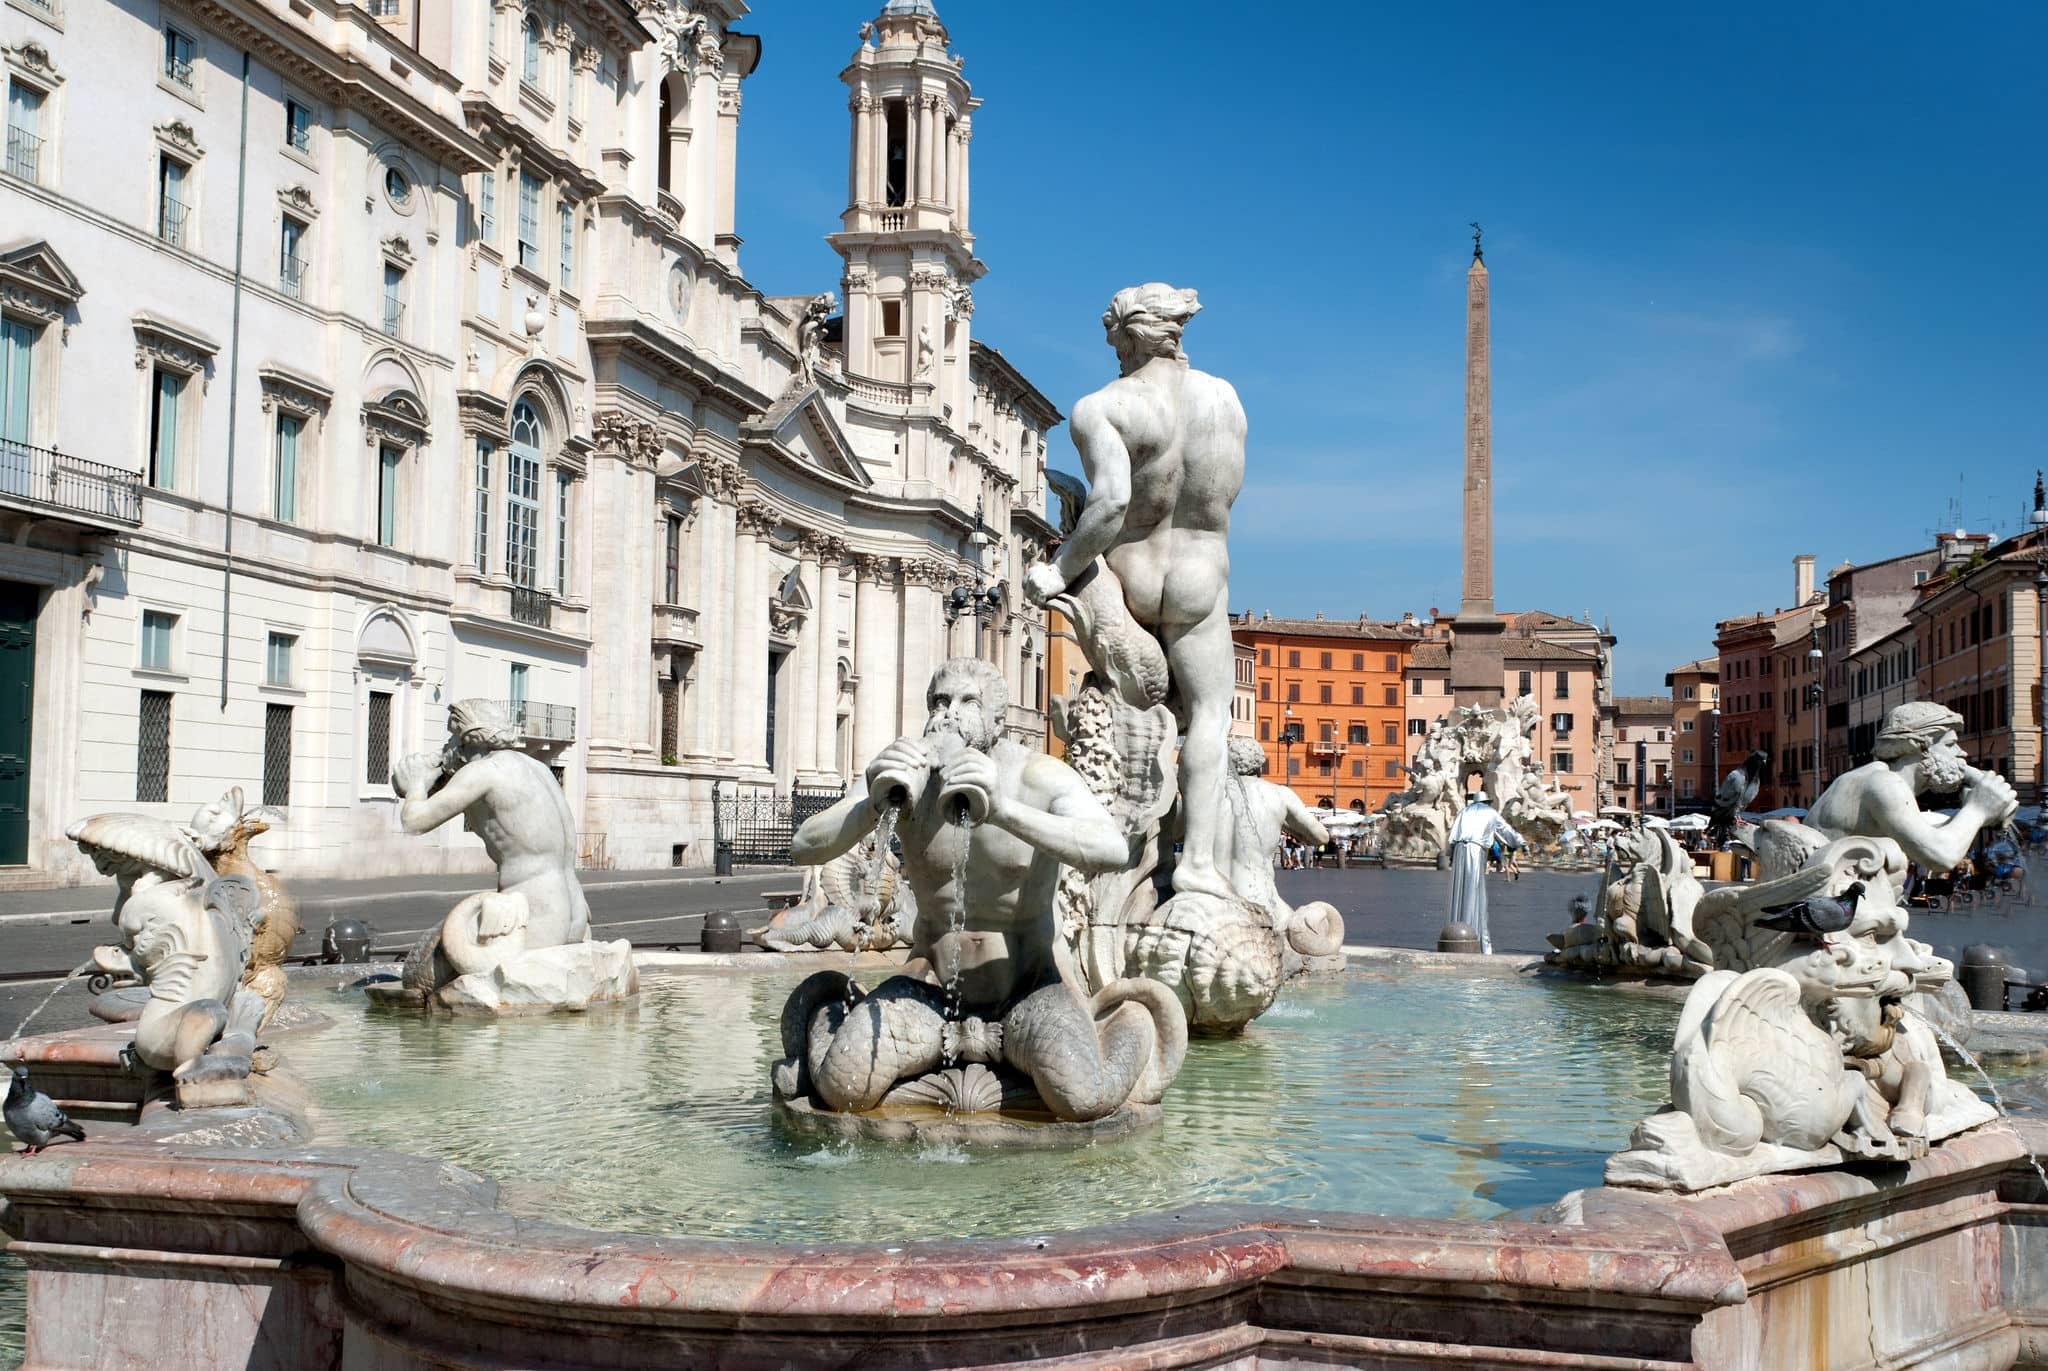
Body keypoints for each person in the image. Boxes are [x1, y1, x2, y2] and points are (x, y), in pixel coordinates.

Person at [1023, 284, 1246, 901]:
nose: (1113, 352)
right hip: (1201, 576)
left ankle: (1114, 854)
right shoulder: (1225, 401)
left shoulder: (1102, 407)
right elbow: (1222, 497)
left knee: (1119, 712)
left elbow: (1112, 503)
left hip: (1130, 577)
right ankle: (1195, 862)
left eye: (1113, 340)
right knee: (1209, 716)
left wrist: (1059, 569)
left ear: (1126, 337)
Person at [1447, 792, 1522, 955]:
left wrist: (1450, 854)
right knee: (1475, 892)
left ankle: (1454, 935)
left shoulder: (1463, 812)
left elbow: (1451, 835)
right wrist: (1520, 842)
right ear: (1486, 802)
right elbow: (1505, 830)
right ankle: (1475, 939)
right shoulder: (1489, 812)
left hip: (1459, 849)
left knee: (1458, 891)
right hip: (1475, 849)